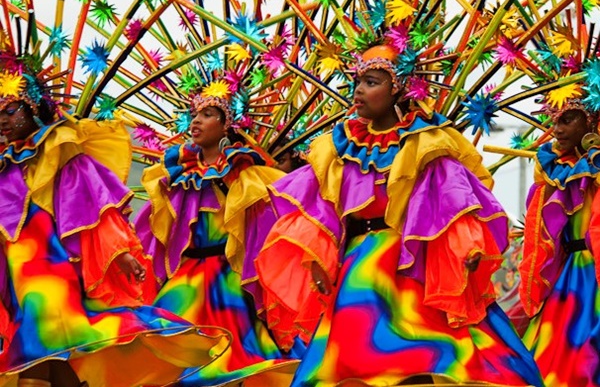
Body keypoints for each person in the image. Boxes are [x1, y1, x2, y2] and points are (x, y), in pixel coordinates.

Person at [254, 43, 543, 386]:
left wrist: (466, 247)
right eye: (358, 81)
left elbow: (451, 202)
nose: (359, 90)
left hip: (411, 265)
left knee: (424, 354)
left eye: (372, 81)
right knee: (354, 357)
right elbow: (320, 209)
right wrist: (316, 260)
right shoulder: (337, 146)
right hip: (357, 269)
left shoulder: (426, 141)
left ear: (399, 88)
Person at [0, 51, 229, 387]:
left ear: (34, 108)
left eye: (10, 110)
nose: (2, 119)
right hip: (13, 275)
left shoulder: (59, 151)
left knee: (40, 338)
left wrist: (118, 253)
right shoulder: (5, 166)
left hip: (51, 271)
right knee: (53, 352)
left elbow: (90, 208)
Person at [134, 81, 305, 386]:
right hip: (185, 277)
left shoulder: (247, 174)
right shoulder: (178, 172)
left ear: (228, 125)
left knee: (231, 361)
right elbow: (155, 229)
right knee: (167, 350)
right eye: (195, 114)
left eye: (209, 114)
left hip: (229, 280)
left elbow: (268, 230)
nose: (197, 120)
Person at [518, 97, 600, 385]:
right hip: (569, 282)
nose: (556, 129)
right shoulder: (557, 171)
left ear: (590, 120)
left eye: (566, 119)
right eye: (553, 121)